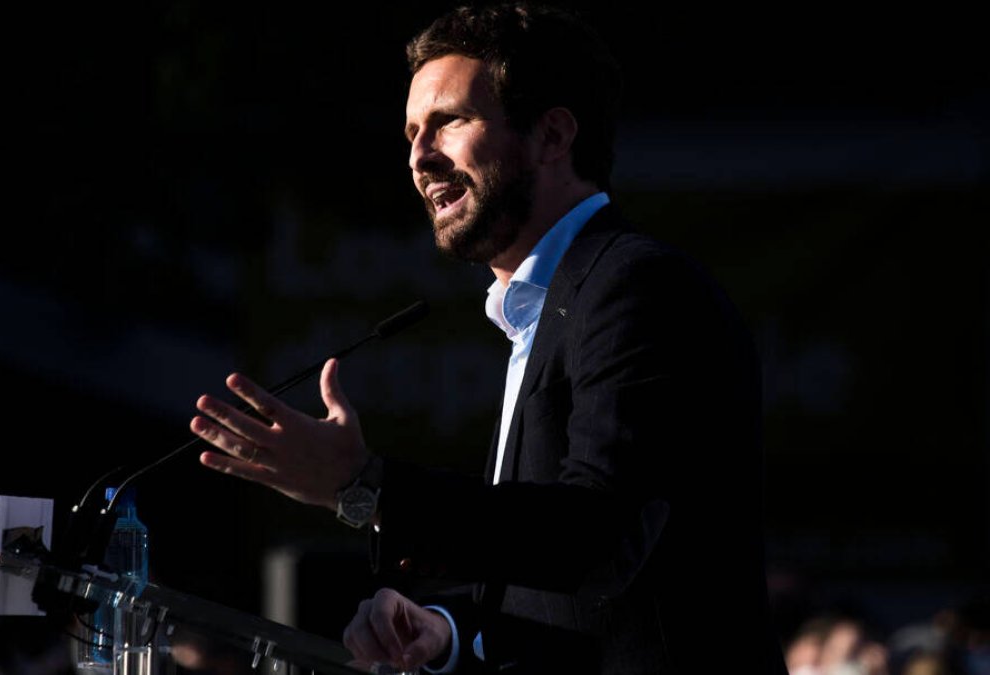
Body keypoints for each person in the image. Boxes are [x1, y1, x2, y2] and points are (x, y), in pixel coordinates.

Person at [190, 2, 787, 672]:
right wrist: (446, 628)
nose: (419, 156)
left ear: (552, 135)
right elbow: (556, 586)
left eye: (449, 122)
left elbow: (596, 537)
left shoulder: (634, 286)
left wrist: (363, 484)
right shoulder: (548, 307)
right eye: (412, 132)